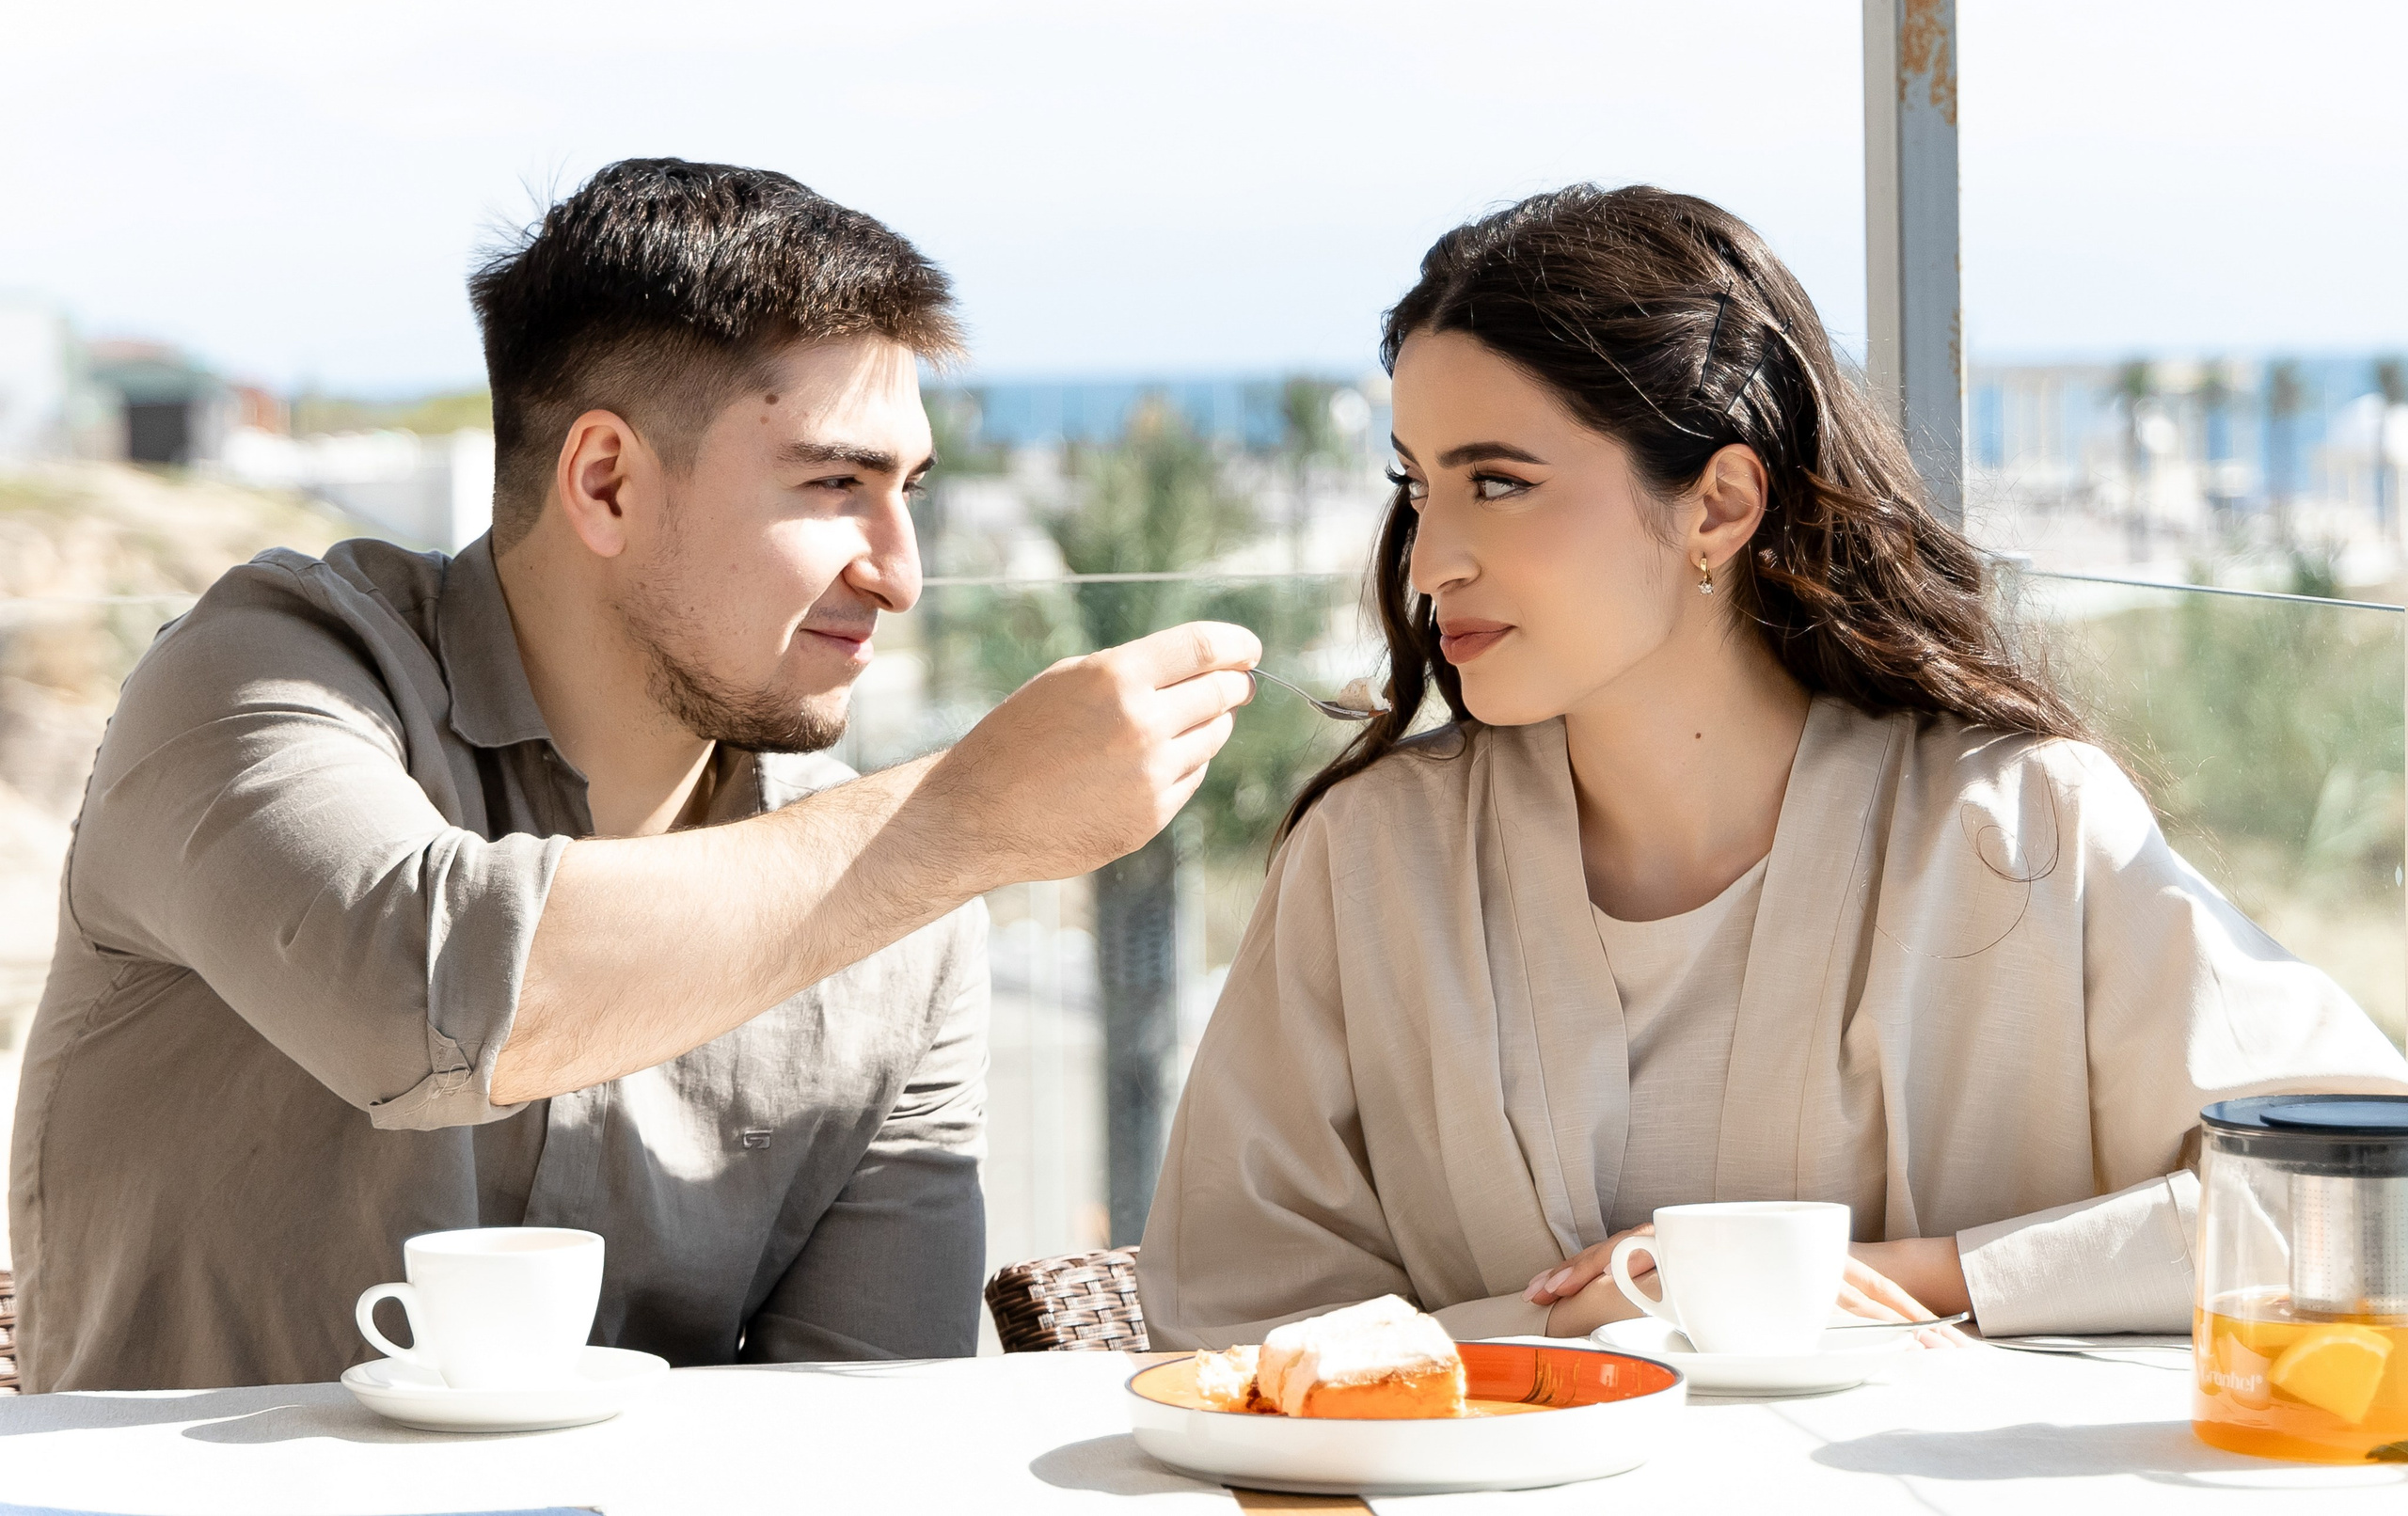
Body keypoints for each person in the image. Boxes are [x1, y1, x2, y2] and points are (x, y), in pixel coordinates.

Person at [10, 158, 1260, 1390]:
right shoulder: (256, 676)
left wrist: (943, 846)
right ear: (605, 482)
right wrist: (963, 821)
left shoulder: (904, 936)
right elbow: (414, 995)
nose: (901, 573)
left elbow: (865, 1432)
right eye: (836, 485)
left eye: (910, 493)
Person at [1137, 184, 2408, 1350]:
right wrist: (1599, 1340)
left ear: (1720, 506)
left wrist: (1903, 1279)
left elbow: (2357, 1206)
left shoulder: (2020, 824)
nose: (1428, 562)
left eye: (1501, 484)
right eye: (1419, 488)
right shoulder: (1369, 862)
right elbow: (1231, 1320)